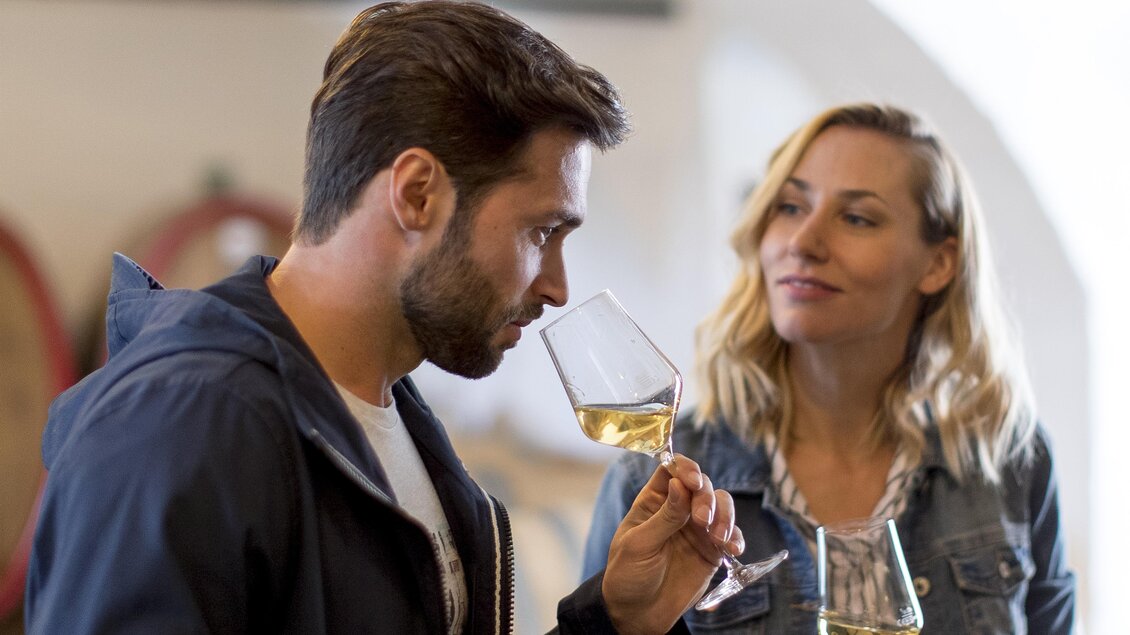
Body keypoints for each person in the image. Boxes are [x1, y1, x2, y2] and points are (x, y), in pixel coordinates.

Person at [25, 2, 745, 633]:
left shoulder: (397, 421)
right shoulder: (184, 426)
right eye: (542, 232)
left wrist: (617, 621)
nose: (557, 287)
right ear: (418, 193)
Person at [583, 103, 1076, 633]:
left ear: (937, 264)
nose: (803, 242)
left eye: (856, 218)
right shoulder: (657, 478)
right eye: (791, 207)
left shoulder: (1010, 462)